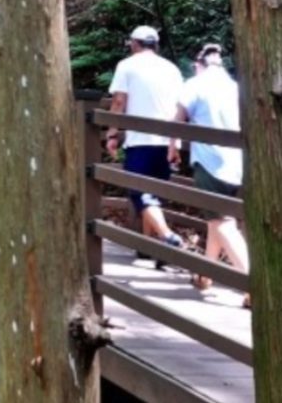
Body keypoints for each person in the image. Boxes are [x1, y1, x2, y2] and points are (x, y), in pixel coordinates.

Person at [103, 25, 189, 260]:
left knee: (140, 194)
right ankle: (150, 248)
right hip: (166, 141)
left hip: (141, 140)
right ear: (156, 45)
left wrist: (112, 133)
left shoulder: (127, 65)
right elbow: (180, 106)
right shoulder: (171, 68)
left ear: (135, 44)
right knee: (153, 195)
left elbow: (118, 101)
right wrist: (175, 141)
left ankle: (167, 237)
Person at [173, 43, 249, 305]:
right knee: (216, 218)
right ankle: (205, 275)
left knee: (222, 222)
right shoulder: (235, 87)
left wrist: (172, 146)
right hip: (238, 162)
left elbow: (178, 118)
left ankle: (253, 283)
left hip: (210, 162)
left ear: (198, 65)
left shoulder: (195, 84)